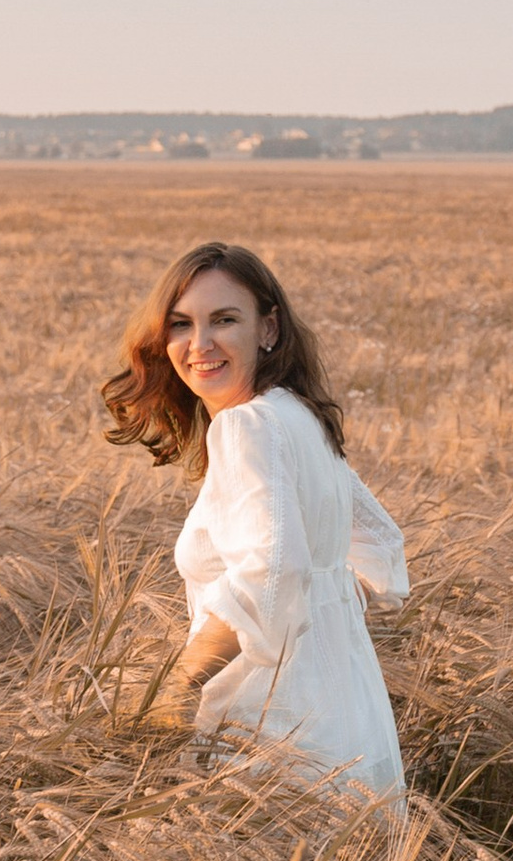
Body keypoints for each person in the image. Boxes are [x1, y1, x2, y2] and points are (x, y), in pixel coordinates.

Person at [100, 240, 410, 804]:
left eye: (224, 320)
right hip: (348, 714)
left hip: (271, 727)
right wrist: (320, 618)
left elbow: (268, 575)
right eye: (180, 324)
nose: (199, 344)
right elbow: (380, 545)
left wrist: (176, 686)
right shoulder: (298, 416)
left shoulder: (247, 428)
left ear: (268, 330)